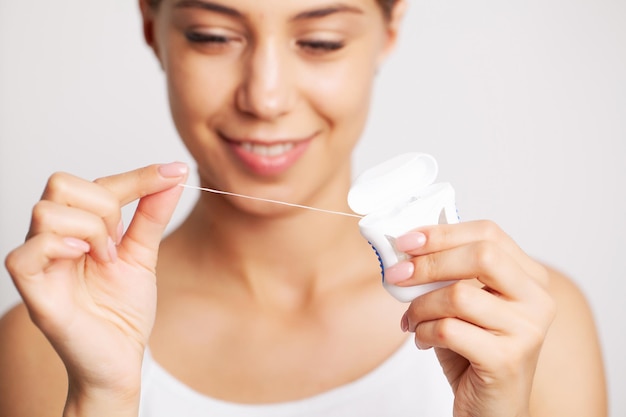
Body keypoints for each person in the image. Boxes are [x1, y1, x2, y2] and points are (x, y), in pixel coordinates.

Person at [0, 0, 607, 416]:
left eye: (320, 42)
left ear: (390, 29)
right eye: (213, 36)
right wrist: (100, 396)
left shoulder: (522, 325)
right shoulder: (52, 335)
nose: (265, 96)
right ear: (151, 26)